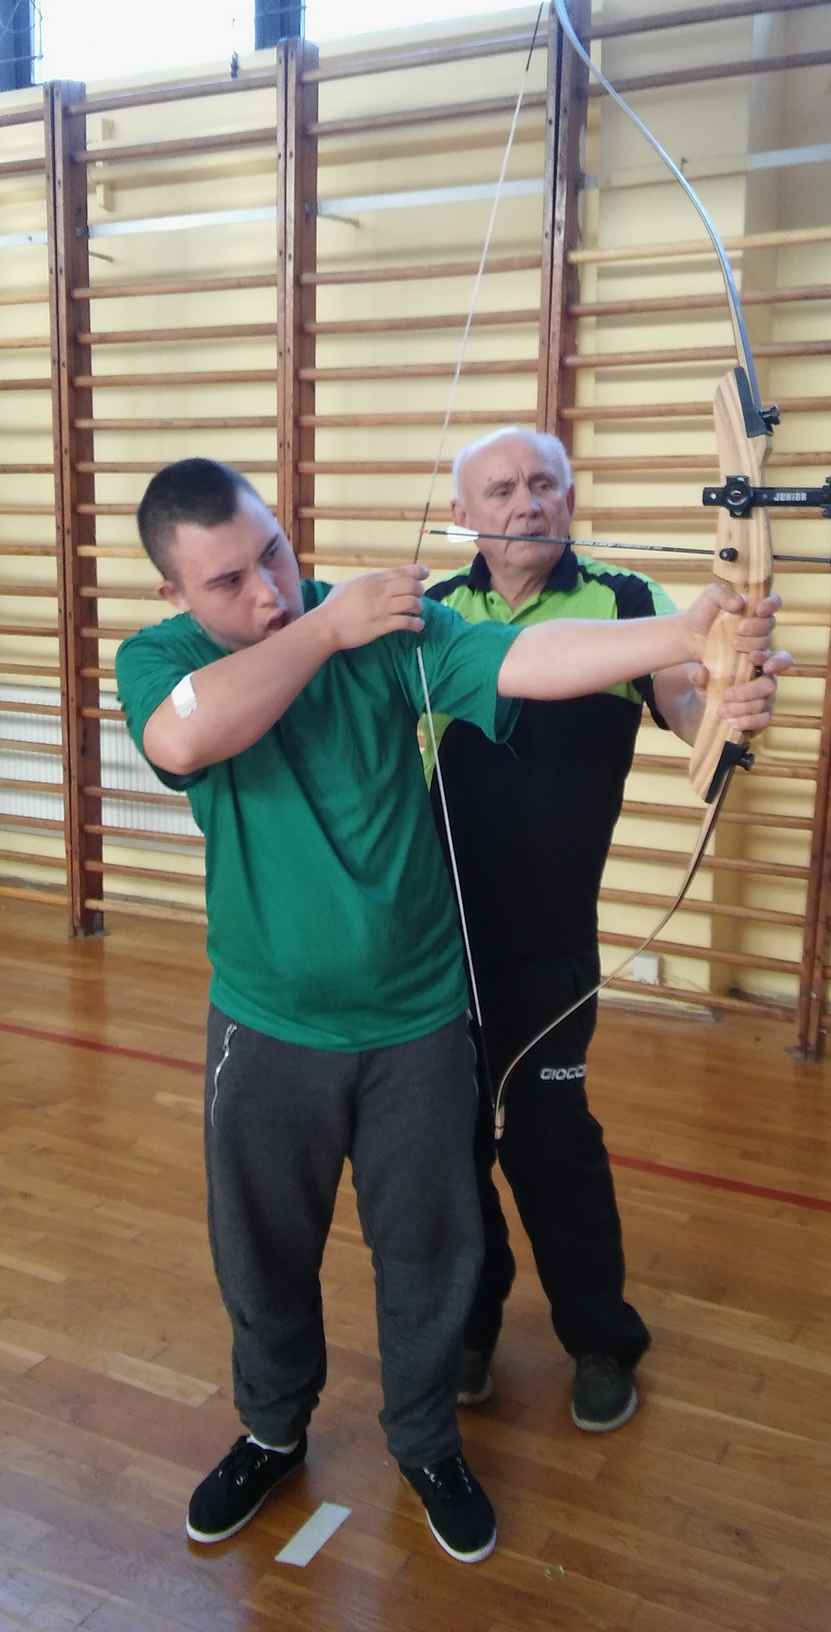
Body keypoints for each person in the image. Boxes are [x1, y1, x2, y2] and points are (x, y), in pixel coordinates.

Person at [115, 457, 772, 1564]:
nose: (270, 589)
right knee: (263, 1250)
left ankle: (426, 1443)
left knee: (429, 1248)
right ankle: (272, 1430)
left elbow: (523, 660)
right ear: (175, 594)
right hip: (267, 1025)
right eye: (228, 581)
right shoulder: (163, 659)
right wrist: (320, 634)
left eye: (274, 552)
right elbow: (182, 738)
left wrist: (684, 634)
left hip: (417, 1018)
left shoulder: (383, 628)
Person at [423, 426, 792, 1433]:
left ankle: (598, 1337)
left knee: (551, 1139)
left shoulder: (626, 601)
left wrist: (731, 700)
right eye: (502, 488)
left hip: (550, 938)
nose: (527, 502)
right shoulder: (434, 613)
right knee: (448, 1140)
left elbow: (688, 706)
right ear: (464, 512)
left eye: (544, 483)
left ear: (571, 498)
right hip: (433, 939)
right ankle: (469, 1326)